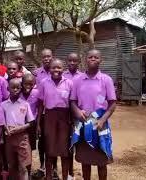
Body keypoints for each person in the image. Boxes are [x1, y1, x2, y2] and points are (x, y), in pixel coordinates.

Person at [70, 49, 116, 180]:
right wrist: (77, 112)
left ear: (101, 60)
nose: (93, 59)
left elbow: (112, 103)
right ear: (86, 59)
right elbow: (72, 101)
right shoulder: (78, 80)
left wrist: (102, 120)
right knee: (86, 161)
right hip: (84, 125)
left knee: (102, 161)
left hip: (100, 125)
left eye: (96, 57)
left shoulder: (106, 80)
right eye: (90, 57)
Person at [37, 59, 73, 180]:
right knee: (50, 150)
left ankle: (64, 176)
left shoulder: (69, 83)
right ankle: (48, 176)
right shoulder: (44, 82)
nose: (56, 70)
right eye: (53, 68)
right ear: (49, 69)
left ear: (63, 69)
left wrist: (72, 122)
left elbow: (72, 104)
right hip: (49, 117)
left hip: (64, 118)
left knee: (64, 151)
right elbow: (41, 104)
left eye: (59, 67)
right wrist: (38, 123)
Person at [32, 49, 59, 179]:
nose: (46, 59)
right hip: (41, 113)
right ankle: (42, 166)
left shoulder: (58, 72)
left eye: (49, 56)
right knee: (42, 142)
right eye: (44, 57)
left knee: (54, 141)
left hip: (55, 114)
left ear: (52, 57)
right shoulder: (36, 74)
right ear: (41, 58)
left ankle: (54, 168)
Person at [1, 78, 34, 180]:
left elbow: (31, 122)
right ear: (8, 88)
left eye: (18, 88)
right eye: (13, 88)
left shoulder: (25, 104)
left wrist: (19, 129)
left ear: (21, 89)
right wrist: (6, 128)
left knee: (23, 166)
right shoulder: (3, 105)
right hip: (9, 138)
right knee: (12, 166)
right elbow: (1, 121)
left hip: (22, 138)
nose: (15, 90)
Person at [63, 52, 83, 180]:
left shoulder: (82, 77)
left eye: (74, 61)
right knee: (67, 145)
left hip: (78, 114)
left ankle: (82, 170)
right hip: (65, 114)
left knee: (79, 143)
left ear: (79, 62)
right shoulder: (62, 75)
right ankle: (69, 173)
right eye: (69, 60)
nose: (72, 63)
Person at [20, 74, 39, 176]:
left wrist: (38, 124)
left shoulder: (36, 93)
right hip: (20, 125)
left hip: (32, 125)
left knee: (30, 149)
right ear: (22, 84)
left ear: (34, 84)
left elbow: (40, 108)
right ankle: (20, 171)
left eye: (30, 84)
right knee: (21, 147)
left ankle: (28, 170)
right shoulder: (18, 93)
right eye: (25, 84)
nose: (28, 86)